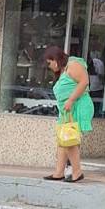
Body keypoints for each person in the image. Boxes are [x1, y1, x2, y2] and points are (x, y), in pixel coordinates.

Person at [43, 45, 92, 182]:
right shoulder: (64, 70)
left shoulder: (73, 65)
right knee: (62, 140)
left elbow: (84, 82)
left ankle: (77, 172)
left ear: (55, 58)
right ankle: (59, 172)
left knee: (69, 139)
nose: (49, 67)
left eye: (49, 63)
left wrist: (71, 100)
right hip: (67, 109)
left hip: (77, 105)